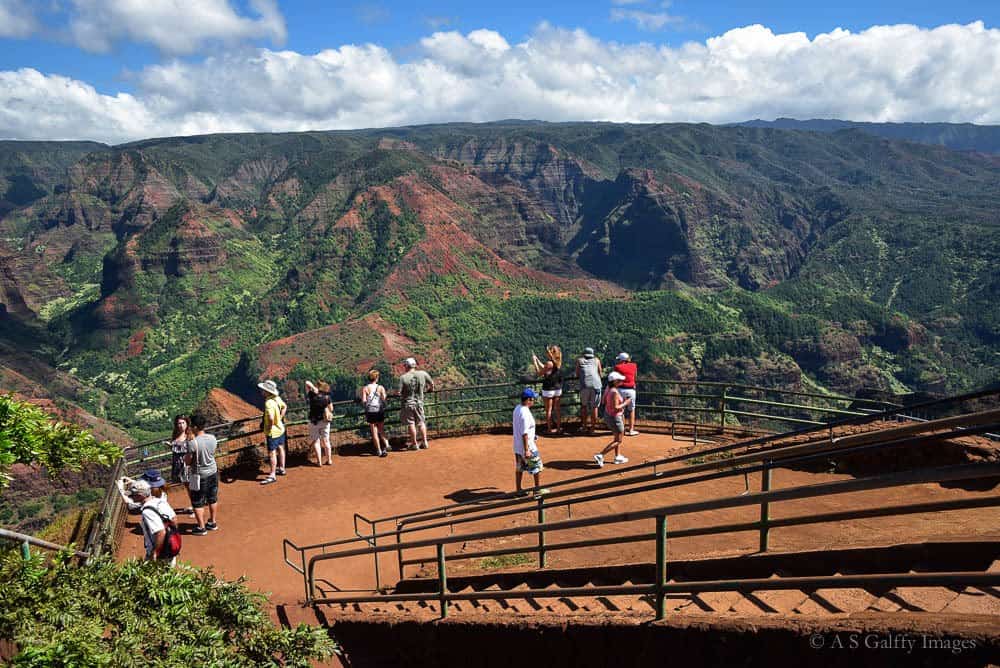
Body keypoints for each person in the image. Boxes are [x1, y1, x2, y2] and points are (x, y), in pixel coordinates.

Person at [130, 479, 177, 565]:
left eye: (133, 495)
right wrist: (172, 538)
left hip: (160, 555)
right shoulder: (160, 501)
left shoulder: (147, 512)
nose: (131, 497)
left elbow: (160, 532)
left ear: (140, 495)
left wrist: (155, 552)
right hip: (170, 549)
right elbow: (174, 519)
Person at [186, 413, 219, 535]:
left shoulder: (193, 442)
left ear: (194, 427)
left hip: (198, 475)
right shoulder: (212, 438)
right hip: (213, 471)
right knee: (212, 498)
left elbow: (188, 461)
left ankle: (201, 527)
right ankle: (212, 522)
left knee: (197, 501)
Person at [594, 372, 632, 467]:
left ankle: (617, 457)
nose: (622, 381)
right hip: (615, 418)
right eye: (620, 380)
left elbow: (603, 401)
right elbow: (616, 407)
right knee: (618, 440)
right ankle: (600, 455)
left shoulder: (608, 388)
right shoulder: (614, 392)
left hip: (608, 415)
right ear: (615, 381)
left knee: (616, 437)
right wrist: (626, 403)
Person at [512, 387, 545, 495]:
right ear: (528, 400)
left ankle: (519, 490)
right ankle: (537, 490)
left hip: (517, 446)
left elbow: (521, 428)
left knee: (519, 468)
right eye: (532, 399)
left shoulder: (517, 408)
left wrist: (533, 435)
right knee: (537, 467)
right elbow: (525, 433)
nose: (533, 401)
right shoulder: (525, 413)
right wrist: (527, 450)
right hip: (528, 446)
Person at [398, 358, 434, 450]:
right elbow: (432, 384)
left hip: (408, 403)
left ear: (406, 366)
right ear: (414, 365)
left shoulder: (403, 377)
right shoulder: (423, 374)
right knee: (421, 422)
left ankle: (414, 444)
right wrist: (430, 390)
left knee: (411, 423)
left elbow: (399, 392)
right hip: (419, 402)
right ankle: (425, 442)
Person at [258, 379, 287, 484]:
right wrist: (279, 419)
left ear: (267, 391)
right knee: (281, 448)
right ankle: (282, 468)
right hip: (280, 429)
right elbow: (284, 407)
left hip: (273, 432)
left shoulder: (269, 402)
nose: (261, 391)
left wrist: (269, 427)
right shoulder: (277, 398)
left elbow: (270, 417)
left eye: (263, 390)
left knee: (272, 453)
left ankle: (272, 474)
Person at [168, 416, 195, 514]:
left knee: (191, 486)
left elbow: (190, 450)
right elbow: (177, 448)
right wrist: (171, 446)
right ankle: (194, 505)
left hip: (187, 464)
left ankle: (195, 507)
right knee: (187, 486)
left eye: (183, 423)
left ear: (187, 423)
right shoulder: (176, 435)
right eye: (179, 423)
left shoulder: (190, 436)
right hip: (178, 465)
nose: (181, 425)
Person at [362, 369, 390, 457]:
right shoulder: (380, 387)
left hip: (370, 411)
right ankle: (387, 445)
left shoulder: (365, 388)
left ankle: (378, 450)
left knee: (374, 432)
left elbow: (364, 400)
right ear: (376, 378)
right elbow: (384, 398)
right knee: (381, 429)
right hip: (379, 410)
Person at [305, 380, 334, 466]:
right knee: (326, 441)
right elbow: (331, 409)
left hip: (314, 421)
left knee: (316, 441)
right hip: (325, 421)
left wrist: (314, 389)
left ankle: (319, 462)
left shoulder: (312, 395)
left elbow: (307, 382)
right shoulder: (327, 397)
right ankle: (329, 460)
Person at [575, 347, 603, 433]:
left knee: (584, 406)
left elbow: (577, 374)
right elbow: (600, 373)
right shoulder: (597, 360)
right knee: (594, 407)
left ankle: (584, 427)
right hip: (596, 385)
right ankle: (593, 428)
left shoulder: (579, 361)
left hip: (584, 385)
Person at [613, 352, 640, 436]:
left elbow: (615, 378)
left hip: (620, 390)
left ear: (621, 360)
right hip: (631, 390)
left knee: (621, 410)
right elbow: (635, 377)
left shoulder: (617, 367)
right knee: (631, 409)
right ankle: (631, 430)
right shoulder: (634, 365)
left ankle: (622, 429)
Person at [535, 359, 563, 433]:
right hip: (557, 389)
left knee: (549, 410)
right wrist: (538, 360)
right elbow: (545, 367)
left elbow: (539, 373)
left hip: (548, 390)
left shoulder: (547, 368)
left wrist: (535, 362)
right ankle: (559, 429)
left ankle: (549, 429)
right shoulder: (557, 365)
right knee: (558, 410)